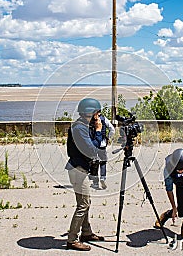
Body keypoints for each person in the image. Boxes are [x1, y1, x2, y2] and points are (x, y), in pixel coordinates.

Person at [65, 98, 105, 251]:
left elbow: (99, 145)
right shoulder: (79, 129)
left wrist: (98, 131)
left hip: (81, 169)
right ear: (91, 113)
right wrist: (99, 131)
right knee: (83, 204)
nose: (99, 116)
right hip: (78, 170)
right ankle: (72, 239)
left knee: (86, 202)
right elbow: (93, 149)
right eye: (98, 113)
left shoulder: (85, 126)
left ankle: (86, 232)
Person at [89, 111, 115, 190]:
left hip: (94, 144)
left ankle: (95, 183)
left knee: (94, 163)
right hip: (102, 144)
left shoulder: (90, 120)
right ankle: (102, 178)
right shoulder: (104, 119)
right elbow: (112, 129)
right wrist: (108, 138)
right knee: (103, 162)